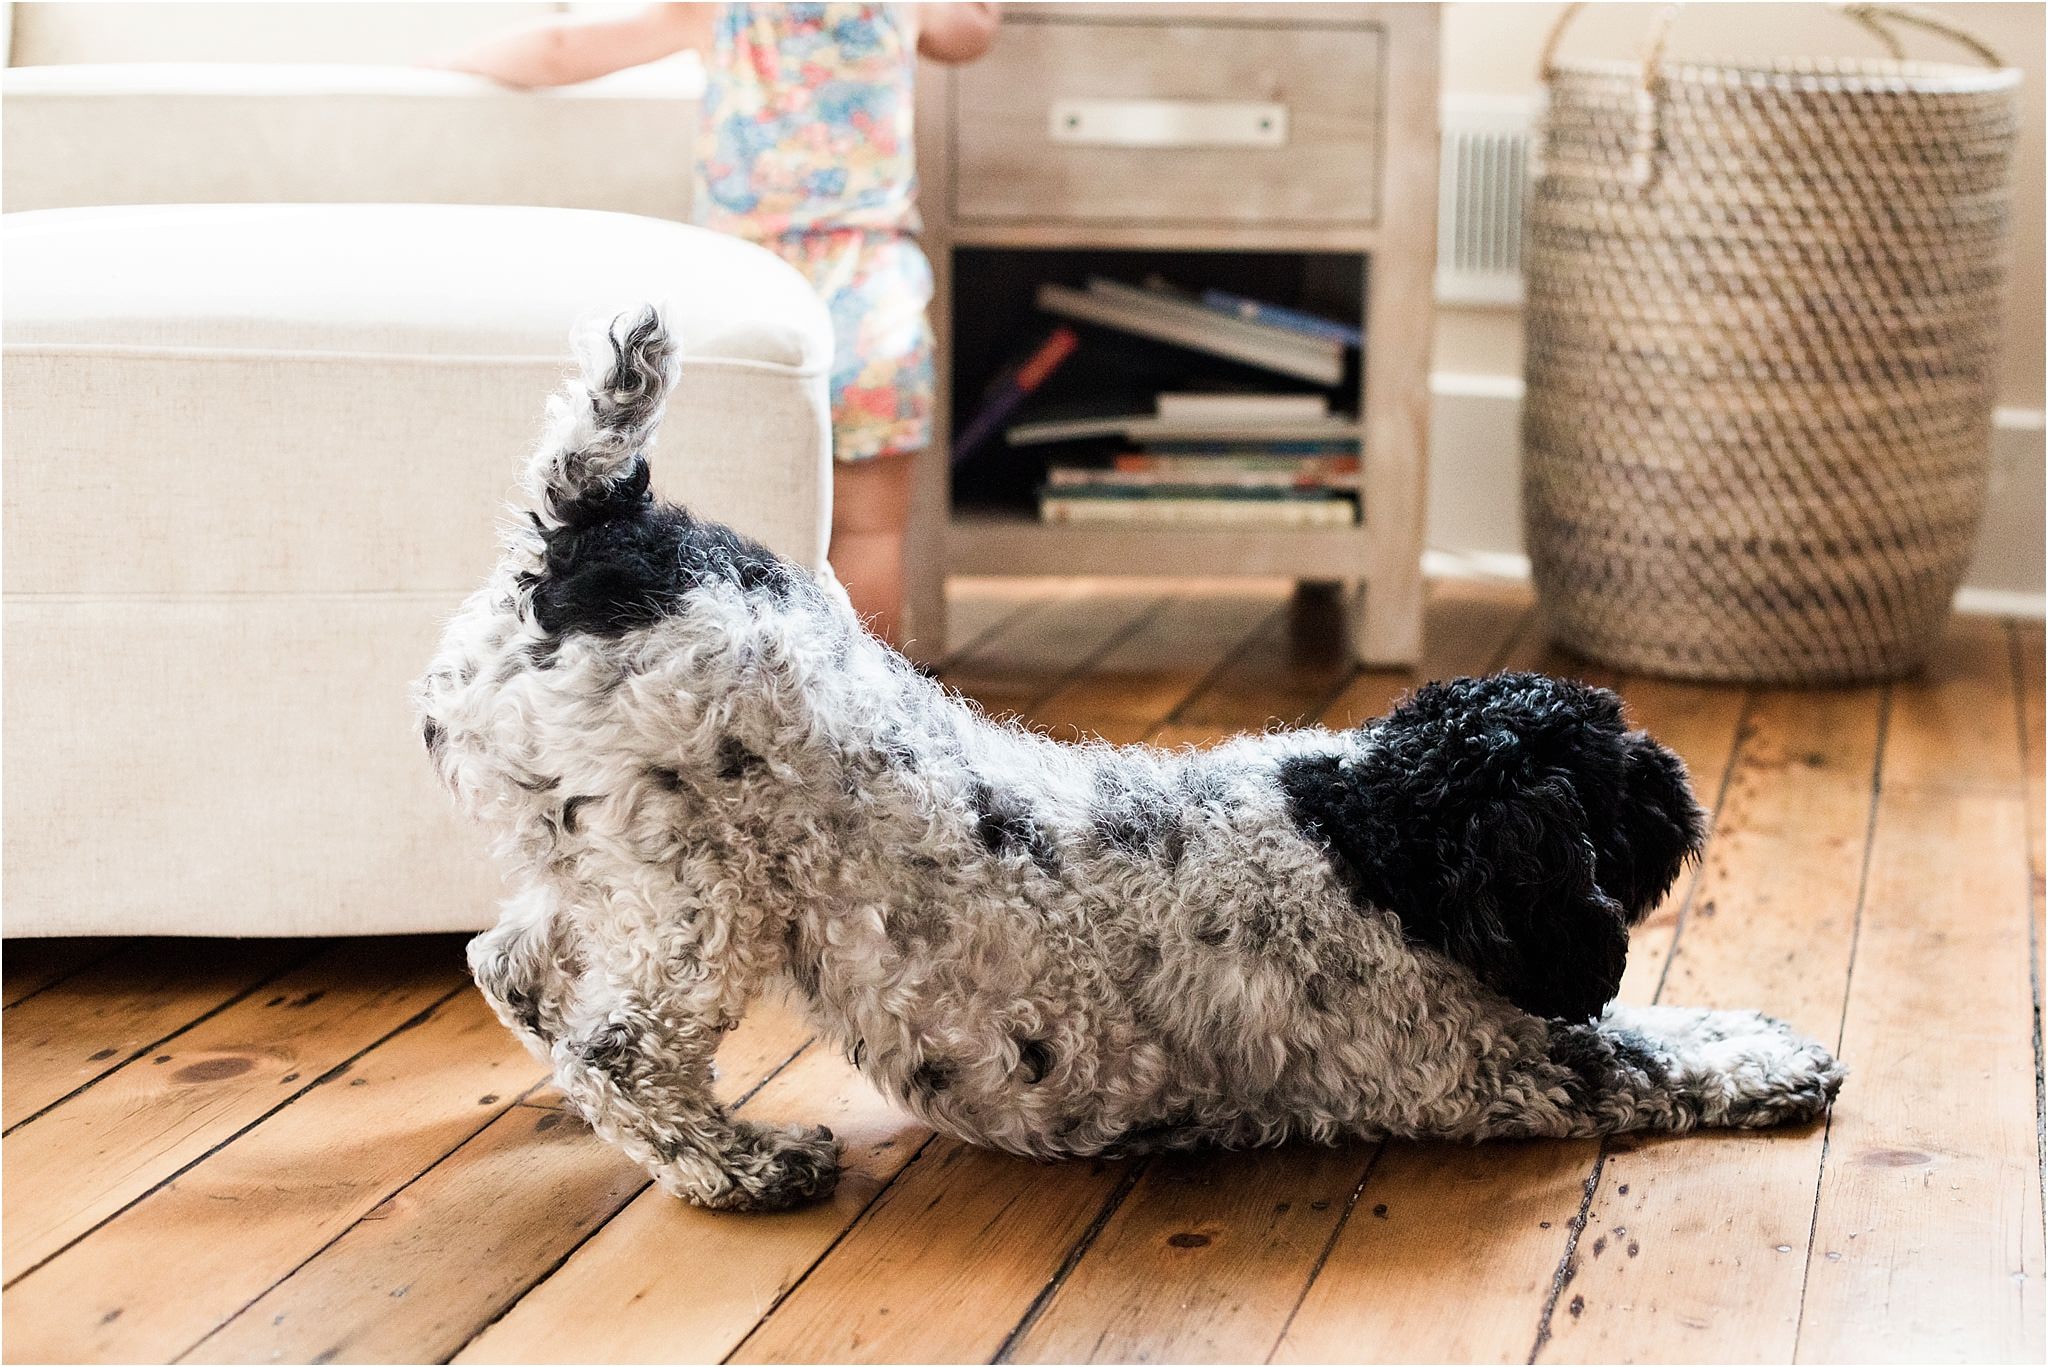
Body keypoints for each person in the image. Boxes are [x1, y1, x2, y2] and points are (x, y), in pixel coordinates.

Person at [436, 3, 998, 645]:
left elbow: (563, 48)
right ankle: (870, 715)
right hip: (872, 296)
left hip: (752, 296)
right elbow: (973, 30)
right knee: (869, 532)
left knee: (745, 522)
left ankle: (749, 700)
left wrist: (458, 64)